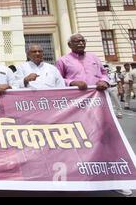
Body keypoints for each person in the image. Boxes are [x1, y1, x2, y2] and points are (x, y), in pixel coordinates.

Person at [56, 34, 132, 196]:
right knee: (79, 140)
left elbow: (104, 73)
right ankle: (79, 176)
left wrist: (104, 81)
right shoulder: (63, 61)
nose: (81, 43)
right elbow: (58, 80)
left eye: (83, 41)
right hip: (76, 107)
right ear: (70, 44)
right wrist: (72, 83)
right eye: (77, 41)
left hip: (99, 105)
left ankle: (115, 179)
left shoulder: (94, 58)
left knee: (106, 139)